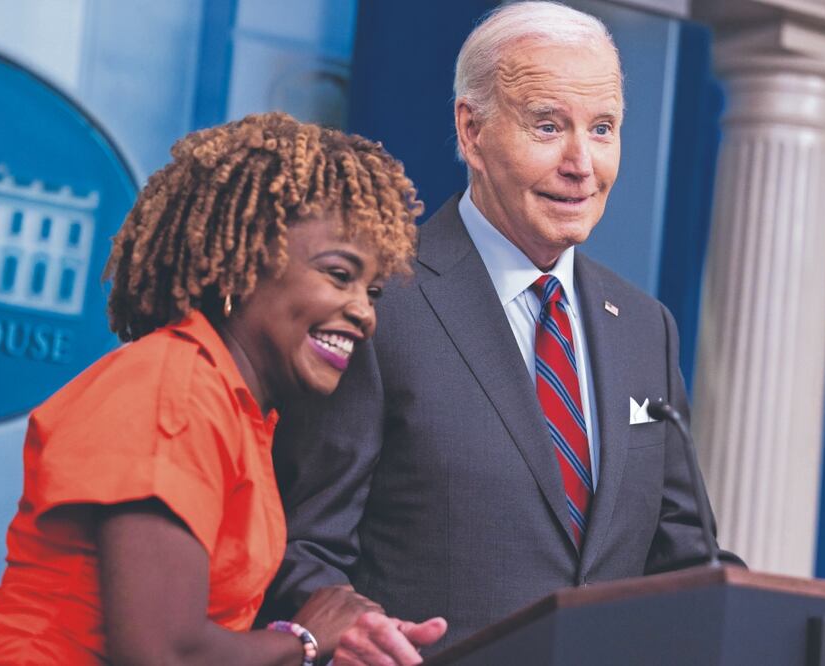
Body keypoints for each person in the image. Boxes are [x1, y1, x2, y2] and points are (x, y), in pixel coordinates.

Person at [262, 1, 743, 658]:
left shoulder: (643, 328)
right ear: (471, 132)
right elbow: (300, 545)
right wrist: (351, 630)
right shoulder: (379, 302)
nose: (581, 163)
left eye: (602, 129)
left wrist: (752, 608)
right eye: (548, 126)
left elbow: (681, 562)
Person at [0, 112, 445, 665]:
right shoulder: (172, 387)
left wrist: (341, 639)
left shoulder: (240, 410)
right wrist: (303, 639)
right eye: (337, 274)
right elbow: (163, 655)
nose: (363, 313)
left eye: (372, 291)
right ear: (241, 267)